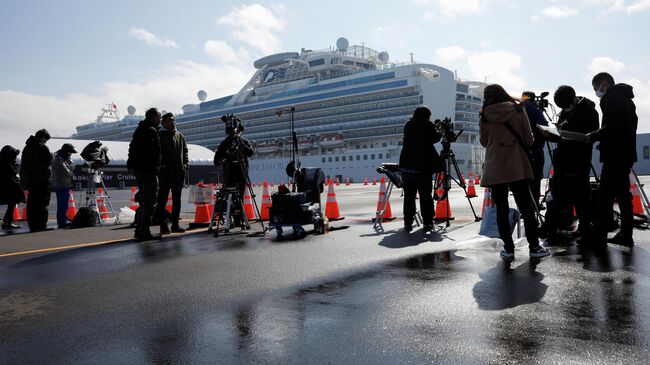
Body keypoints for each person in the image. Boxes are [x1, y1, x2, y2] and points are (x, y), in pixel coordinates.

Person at [479, 84, 550, 260]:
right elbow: (528, 139)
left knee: (501, 209)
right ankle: (534, 247)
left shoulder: (484, 115)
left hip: (495, 165)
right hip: (516, 163)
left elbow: (484, 141)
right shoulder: (518, 110)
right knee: (526, 207)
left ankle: (508, 249)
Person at [541, 85, 599, 241]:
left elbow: (592, 133)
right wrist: (551, 134)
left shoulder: (588, 111)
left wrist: (567, 130)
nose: (565, 108)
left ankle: (585, 228)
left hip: (579, 158)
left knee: (581, 195)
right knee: (558, 193)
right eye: (563, 107)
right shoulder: (565, 111)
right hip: (562, 159)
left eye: (567, 105)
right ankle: (551, 226)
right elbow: (561, 135)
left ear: (574, 98)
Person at [587, 72, 638, 247]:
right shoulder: (627, 100)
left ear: (604, 84)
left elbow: (612, 126)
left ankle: (599, 236)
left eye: (596, 88)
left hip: (615, 156)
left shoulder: (611, 99)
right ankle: (626, 234)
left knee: (605, 196)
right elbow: (624, 128)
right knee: (623, 196)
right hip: (626, 154)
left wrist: (593, 136)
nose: (596, 91)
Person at [399, 106, 443, 232]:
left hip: (407, 168)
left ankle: (408, 222)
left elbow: (420, 135)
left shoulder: (408, 125)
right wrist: (438, 130)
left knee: (409, 196)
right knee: (425, 195)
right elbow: (434, 138)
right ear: (427, 116)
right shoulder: (427, 125)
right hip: (422, 168)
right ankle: (427, 222)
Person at [128, 108, 163, 241]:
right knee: (150, 201)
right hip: (148, 170)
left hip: (139, 170)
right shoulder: (151, 131)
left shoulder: (139, 130)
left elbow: (132, 148)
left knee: (144, 199)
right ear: (153, 117)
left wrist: (131, 164)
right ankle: (144, 231)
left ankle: (139, 230)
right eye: (159, 117)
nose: (160, 119)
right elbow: (155, 152)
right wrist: (157, 167)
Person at [213, 120, 254, 231]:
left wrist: (241, 144)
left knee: (239, 197)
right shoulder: (224, 143)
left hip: (241, 173)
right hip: (229, 174)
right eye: (229, 131)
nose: (231, 133)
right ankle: (230, 219)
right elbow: (216, 160)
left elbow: (251, 152)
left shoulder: (243, 141)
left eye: (232, 130)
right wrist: (223, 160)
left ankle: (239, 219)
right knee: (229, 198)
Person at [155, 112, 188, 234]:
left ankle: (175, 224)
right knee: (162, 200)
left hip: (178, 173)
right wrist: (161, 165)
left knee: (177, 200)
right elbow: (156, 153)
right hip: (165, 173)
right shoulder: (159, 135)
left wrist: (185, 166)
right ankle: (163, 225)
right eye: (169, 121)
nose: (173, 123)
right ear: (163, 122)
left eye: (174, 120)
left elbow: (185, 153)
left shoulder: (180, 136)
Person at [20, 129, 53, 232]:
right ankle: (41, 225)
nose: (46, 142)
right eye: (46, 140)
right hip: (42, 179)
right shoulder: (42, 147)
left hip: (31, 180)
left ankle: (33, 225)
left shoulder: (27, 148)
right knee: (42, 203)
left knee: (32, 203)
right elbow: (48, 160)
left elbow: (24, 165)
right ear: (43, 138)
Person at [520, 91, 548, 208]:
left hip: (521, 150)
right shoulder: (535, 111)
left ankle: (525, 205)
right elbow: (544, 126)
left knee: (523, 179)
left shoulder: (518, 111)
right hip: (536, 149)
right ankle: (535, 204)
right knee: (536, 178)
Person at [52, 143, 77, 228]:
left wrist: (70, 167)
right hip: (61, 184)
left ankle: (63, 219)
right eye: (70, 152)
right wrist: (71, 169)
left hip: (65, 183)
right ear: (66, 151)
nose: (71, 154)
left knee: (64, 203)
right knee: (62, 204)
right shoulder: (58, 158)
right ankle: (62, 221)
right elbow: (67, 172)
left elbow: (73, 166)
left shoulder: (65, 158)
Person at [1, 145, 25, 230]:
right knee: (11, 205)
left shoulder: (3, 161)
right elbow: (14, 173)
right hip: (10, 187)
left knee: (11, 205)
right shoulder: (8, 163)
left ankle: (6, 222)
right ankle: (8, 222)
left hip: (6, 187)